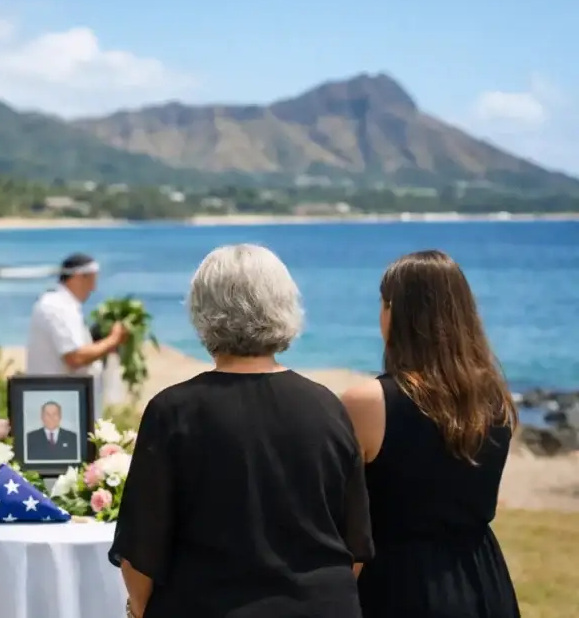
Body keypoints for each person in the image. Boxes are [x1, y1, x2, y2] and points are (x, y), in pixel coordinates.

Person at [109, 244, 373, 618]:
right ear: (283, 305)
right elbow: (355, 543)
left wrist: (140, 611)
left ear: (202, 309)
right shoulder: (327, 407)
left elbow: (139, 550)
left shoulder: (173, 412)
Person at [341, 250, 521, 618]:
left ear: (396, 313)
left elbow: (351, 528)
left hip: (397, 585)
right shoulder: (493, 399)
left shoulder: (368, 402)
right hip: (484, 579)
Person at [25, 253, 128, 413]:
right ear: (78, 277)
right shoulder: (58, 307)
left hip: (64, 402)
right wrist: (113, 340)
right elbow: (75, 356)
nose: (93, 288)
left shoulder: (62, 305)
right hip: (61, 405)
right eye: (92, 281)